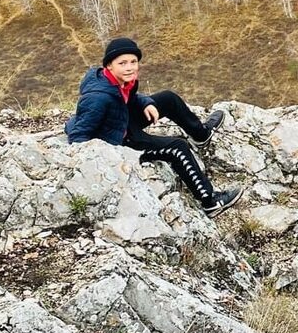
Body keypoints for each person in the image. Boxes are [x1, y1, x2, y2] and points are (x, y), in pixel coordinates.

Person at [64, 36, 245, 217]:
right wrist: (111, 160)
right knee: (178, 147)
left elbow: (128, 98)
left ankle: (201, 134)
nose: (129, 67)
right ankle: (209, 201)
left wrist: (146, 103)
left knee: (168, 98)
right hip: (120, 141)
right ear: (109, 66)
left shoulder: (123, 80)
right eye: (123, 63)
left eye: (133, 61)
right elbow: (79, 137)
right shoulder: (98, 97)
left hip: (122, 122)